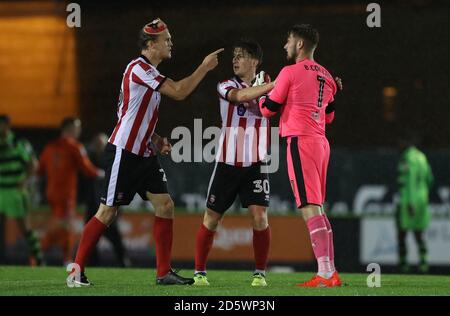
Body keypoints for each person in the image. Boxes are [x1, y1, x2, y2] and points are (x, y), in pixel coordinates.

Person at [70, 18, 223, 286]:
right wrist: (204, 68)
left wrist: (154, 138)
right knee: (107, 212)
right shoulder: (139, 68)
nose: (170, 43)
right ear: (151, 45)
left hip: (143, 153)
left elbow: (127, 112)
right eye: (166, 40)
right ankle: (76, 272)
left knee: (165, 205)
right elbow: (178, 91)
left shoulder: (146, 73)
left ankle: (164, 273)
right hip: (124, 152)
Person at [259, 24, 343, 287]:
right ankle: (330, 271)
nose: (285, 46)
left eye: (288, 41)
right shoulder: (327, 76)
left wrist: (261, 88)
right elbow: (329, 116)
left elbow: (268, 110)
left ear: (299, 45)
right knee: (317, 207)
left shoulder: (289, 72)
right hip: (321, 143)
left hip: (301, 141)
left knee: (308, 207)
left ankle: (326, 273)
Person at [193, 39, 275, 287]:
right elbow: (240, 96)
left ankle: (260, 273)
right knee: (212, 217)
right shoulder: (226, 84)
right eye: (234, 56)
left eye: (241, 55)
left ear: (255, 60)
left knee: (260, 217)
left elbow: (284, 104)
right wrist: (273, 85)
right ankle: (199, 273)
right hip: (227, 162)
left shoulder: (269, 85)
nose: (235, 60)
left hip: (256, 163)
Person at [39, 117, 103, 265]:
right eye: (77, 127)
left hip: (51, 193)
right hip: (66, 194)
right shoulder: (75, 147)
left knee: (64, 225)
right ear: (69, 129)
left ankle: (64, 258)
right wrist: (102, 174)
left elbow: (40, 170)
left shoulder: (49, 147)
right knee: (65, 226)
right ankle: (40, 253)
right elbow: (87, 169)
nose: (79, 131)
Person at [82, 133, 130, 267]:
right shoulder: (89, 161)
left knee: (115, 238)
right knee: (90, 238)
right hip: (92, 207)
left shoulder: (112, 161)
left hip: (108, 207)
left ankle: (124, 263)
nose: (98, 147)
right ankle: (92, 264)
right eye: (96, 144)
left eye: (100, 144)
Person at [0, 114, 42, 266]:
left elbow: (32, 164)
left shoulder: (18, 143)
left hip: (15, 191)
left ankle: (39, 259)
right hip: (1, 190)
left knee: (25, 227)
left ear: (7, 126)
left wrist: (23, 181)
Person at [396, 134, 433, 273]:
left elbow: (410, 179)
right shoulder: (422, 157)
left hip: (408, 199)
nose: (398, 145)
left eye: (400, 142)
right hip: (422, 199)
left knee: (402, 232)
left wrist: (411, 201)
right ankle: (424, 262)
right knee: (419, 232)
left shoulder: (408, 157)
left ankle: (403, 264)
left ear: (406, 142)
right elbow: (430, 178)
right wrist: (423, 193)